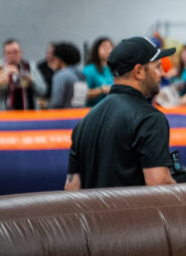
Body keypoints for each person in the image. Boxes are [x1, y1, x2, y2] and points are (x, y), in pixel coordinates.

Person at [65, 37, 177, 190]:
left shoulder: (85, 123)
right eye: (158, 67)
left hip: (93, 214)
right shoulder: (149, 119)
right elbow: (158, 183)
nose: (163, 74)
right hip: (133, 214)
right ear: (138, 72)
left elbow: (71, 188)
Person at [0, 39, 45, 111]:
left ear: (21, 52)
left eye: (15, 52)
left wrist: (31, 80)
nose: (12, 55)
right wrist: (3, 77)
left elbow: (43, 91)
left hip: (28, 114)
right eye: (9, 53)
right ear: (4, 54)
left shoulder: (30, 66)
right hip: (5, 116)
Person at [48, 42, 87, 109]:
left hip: (63, 117)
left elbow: (56, 102)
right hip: (79, 115)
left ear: (60, 59)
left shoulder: (61, 76)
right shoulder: (80, 75)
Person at [83, 36, 115, 106]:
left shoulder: (116, 68)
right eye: (104, 48)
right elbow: (83, 94)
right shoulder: (89, 70)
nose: (108, 51)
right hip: (94, 109)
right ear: (96, 50)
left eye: (110, 48)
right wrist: (101, 90)